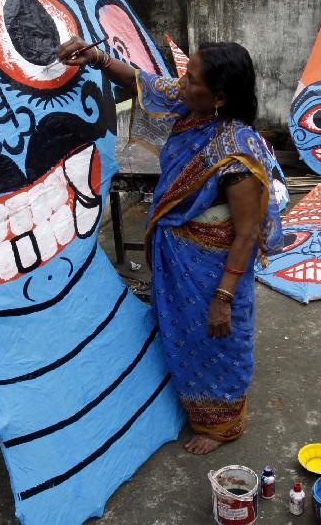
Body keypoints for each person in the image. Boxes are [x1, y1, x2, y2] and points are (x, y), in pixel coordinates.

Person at [56, 38, 283, 455]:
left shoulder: (237, 151)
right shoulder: (190, 108)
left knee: (219, 338)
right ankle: (190, 401)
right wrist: (97, 58)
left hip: (214, 268)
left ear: (218, 97)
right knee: (182, 334)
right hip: (178, 256)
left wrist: (224, 296)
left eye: (191, 79)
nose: (180, 84)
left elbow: (248, 233)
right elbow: (141, 81)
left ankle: (222, 425)